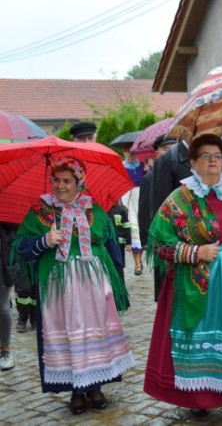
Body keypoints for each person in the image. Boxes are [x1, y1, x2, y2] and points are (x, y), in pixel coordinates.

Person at [144, 134, 222, 426]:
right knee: (203, 340)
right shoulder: (179, 199)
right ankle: (200, 398)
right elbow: (157, 241)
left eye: (218, 155)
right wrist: (194, 251)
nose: (213, 160)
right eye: (206, 156)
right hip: (199, 284)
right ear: (193, 163)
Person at [13, 157, 134, 415]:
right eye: (56, 180)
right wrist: (45, 240)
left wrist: (116, 285)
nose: (60, 186)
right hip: (59, 287)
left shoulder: (95, 210)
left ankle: (96, 386)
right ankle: (76, 392)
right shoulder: (40, 210)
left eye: (67, 181)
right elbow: (21, 249)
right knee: (68, 335)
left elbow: (110, 246)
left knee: (95, 333)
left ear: (79, 182)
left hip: (93, 285)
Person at [139, 134, 177, 301]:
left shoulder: (180, 172)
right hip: (159, 234)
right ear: (156, 153)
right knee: (163, 279)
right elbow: (144, 208)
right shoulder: (149, 178)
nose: (169, 152)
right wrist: (145, 238)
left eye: (172, 149)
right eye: (165, 149)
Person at [119, 142, 147, 275]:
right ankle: (137, 265)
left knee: (141, 227)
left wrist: (149, 168)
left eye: (132, 151)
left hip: (141, 198)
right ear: (123, 152)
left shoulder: (143, 165)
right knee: (132, 228)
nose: (130, 154)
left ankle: (139, 261)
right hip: (126, 198)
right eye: (127, 151)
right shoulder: (120, 166)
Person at [0, 223, 22, 371]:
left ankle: (5, 350)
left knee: (2, 307)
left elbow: (16, 228)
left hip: (3, 259)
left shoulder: (7, 205)